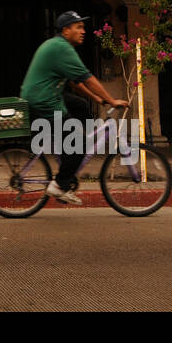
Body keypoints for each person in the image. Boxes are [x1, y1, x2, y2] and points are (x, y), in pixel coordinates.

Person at [19, 11, 128, 206]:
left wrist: (97, 99)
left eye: (83, 27)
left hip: (46, 94)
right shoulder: (62, 49)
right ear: (65, 30)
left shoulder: (59, 46)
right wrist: (111, 100)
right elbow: (88, 78)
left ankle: (70, 152)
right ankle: (60, 184)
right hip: (44, 101)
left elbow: (77, 84)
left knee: (81, 104)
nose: (83, 31)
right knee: (79, 144)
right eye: (78, 27)